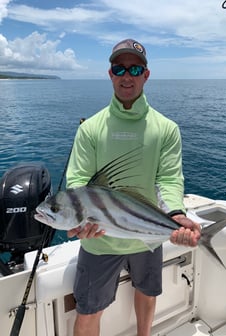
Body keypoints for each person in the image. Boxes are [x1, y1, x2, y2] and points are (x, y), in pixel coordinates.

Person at [66, 38, 201, 336]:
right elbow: (77, 181)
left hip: (147, 236)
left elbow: (168, 179)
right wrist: (79, 218)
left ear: (146, 74)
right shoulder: (90, 129)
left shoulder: (166, 128)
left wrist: (175, 214)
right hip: (99, 239)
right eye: (120, 68)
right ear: (110, 73)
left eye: (135, 68)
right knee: (88, 310)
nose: (127, 75)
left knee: (147, 294)